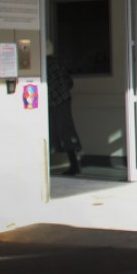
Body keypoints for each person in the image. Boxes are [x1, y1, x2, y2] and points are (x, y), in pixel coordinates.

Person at [45, 40, 82, 175]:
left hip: (54, 102)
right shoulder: (58, 63)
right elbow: (68, 82)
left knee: (57, 132)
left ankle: (73, 166)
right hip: (64, 100)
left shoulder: (46, 65)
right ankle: (74, 164)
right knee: (66, 131)